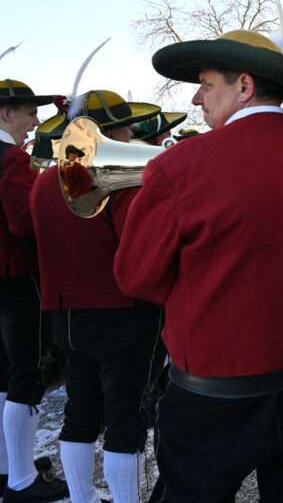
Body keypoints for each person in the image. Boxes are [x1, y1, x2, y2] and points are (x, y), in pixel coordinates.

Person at [113, 29, 283, 502]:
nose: (196, 98)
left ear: (244, 85)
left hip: (214, 388)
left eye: (205, 85)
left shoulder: (181, 164)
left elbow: (136, 278)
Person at [31, 90, 162, 503]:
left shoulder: (43, 181)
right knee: (125, 419)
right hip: (120, 311)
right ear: (114, 131)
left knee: (80, 412)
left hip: (67, 313)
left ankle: (82, 498)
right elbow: (138, 249)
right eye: (126, 129)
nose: (130, 137)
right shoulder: (118, 178)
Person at [0, 79, 67, 502]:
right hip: (17, 277)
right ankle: (22, 481)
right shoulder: (11, 158)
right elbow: (24, 222)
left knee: (3, 376)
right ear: (7, 113)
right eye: (29, 113)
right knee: (25, 375)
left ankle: (8, 467)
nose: (36, 120)